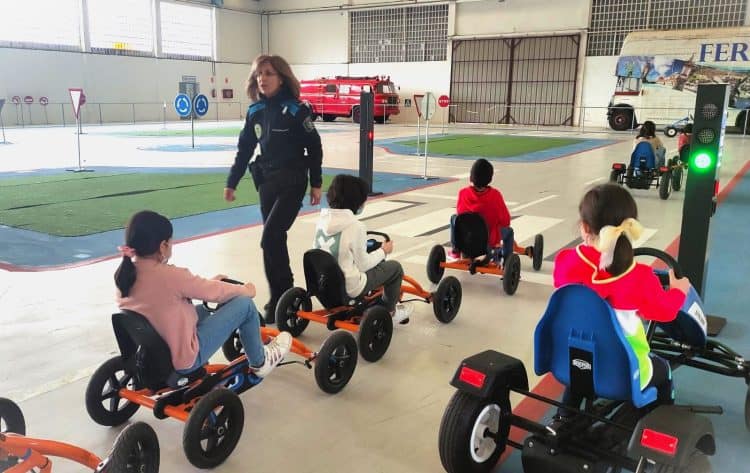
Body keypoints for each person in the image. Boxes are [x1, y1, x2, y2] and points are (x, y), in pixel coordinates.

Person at [553, 184, 691, 410]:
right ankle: (655, 423)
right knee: (662, 369)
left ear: (585, 227)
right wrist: (678, 290)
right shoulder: (640, 276)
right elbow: (665, 312)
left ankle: (565, 415)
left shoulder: (565, 261)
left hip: (571, 361)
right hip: (624, 372)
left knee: (584, 362)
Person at [115, 210, 292, 377]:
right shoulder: (171, 275)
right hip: (183, 359)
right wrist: (245, 290)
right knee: (245, 305)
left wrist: (209, 283)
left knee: (203, 310)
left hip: (155, 354)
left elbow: (167, 298)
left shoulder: (125, 275)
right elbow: (215, 293)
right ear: (163, 246)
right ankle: (260, 361)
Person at [224, 54, 323, 324]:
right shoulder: (255, 111)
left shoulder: (296, 110)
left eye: (268, 73)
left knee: (270, 237)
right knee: (273, 242)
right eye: (259, 74)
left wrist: (316, 183)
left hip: (292, 182)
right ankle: (280, 298)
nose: (262, 78)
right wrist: (232, 181)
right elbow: (245, 148)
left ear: (281, 77)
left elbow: (314, 147)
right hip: (267, 183)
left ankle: (284, 294)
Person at [313, 174, 411, 324]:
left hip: (324, 287)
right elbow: (363, 265)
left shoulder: (321, 220)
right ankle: (390, 311)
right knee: (395, 269)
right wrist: (384, 250)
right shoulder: (356, 226)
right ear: (356, 201)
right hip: (350, 288)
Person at [450, 158, 514, 265]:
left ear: (471, 176)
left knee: (454, 218)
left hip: (467, 238)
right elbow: (505, 221)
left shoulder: (463, 193)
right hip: (488, 242)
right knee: (509, 231)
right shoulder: (495, 195)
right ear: (490, 179)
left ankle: (456, 249)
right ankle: (507, 263)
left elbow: (461, 214)